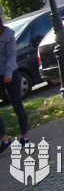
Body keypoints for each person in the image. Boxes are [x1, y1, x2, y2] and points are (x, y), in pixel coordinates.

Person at [0, 15, 30, 154]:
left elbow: (12, 56)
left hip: (11, 74)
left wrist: (8, 74)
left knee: (17, 105)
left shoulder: (9, 35)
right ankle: (5, 139)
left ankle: (24, 137)